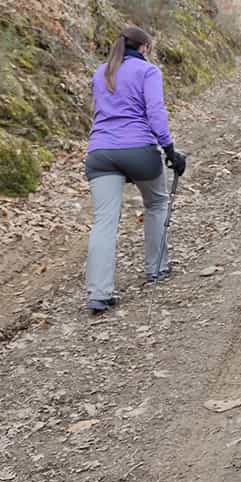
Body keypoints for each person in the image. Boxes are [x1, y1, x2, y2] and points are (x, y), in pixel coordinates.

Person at [84, 26, 187, 313]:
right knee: (156, 203)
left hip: (100, 153)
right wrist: (170, 151)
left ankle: (99, 294)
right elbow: (155, 112)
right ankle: (157, 267)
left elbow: (99, 112)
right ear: (144, 47)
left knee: (104, 220)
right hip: (139, 149)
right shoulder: (148, 71)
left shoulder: (101, 72)